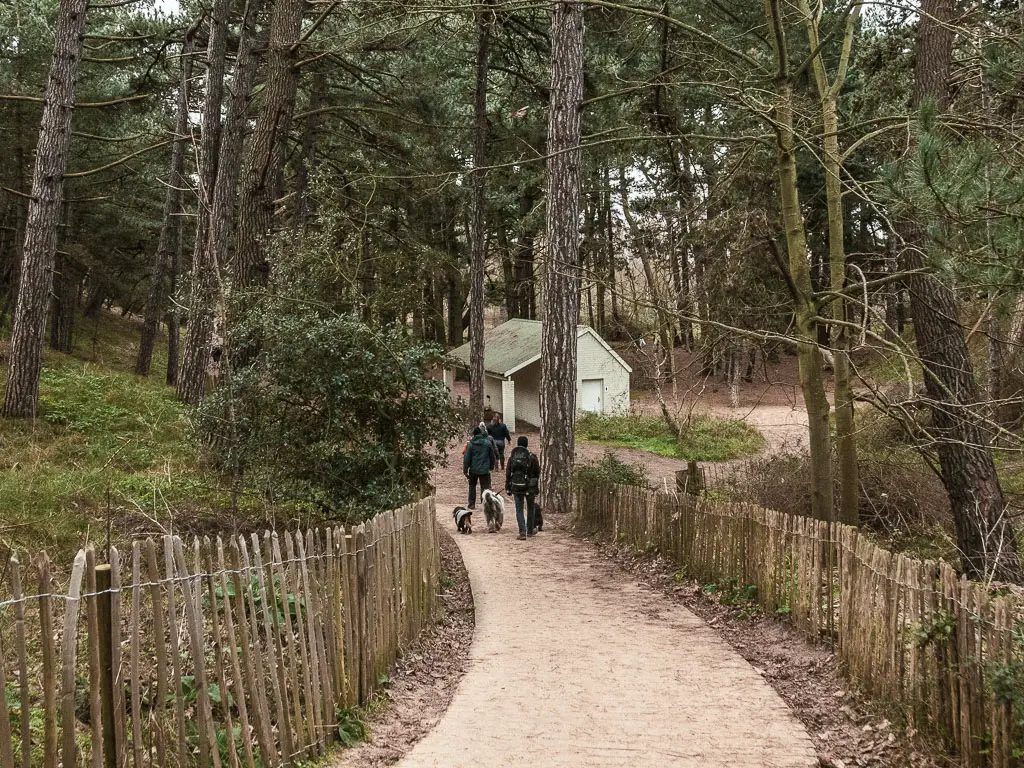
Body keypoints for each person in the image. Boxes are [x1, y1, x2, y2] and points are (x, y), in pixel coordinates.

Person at [506, 435, 541, 539]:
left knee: (519, 509)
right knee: (530, 507)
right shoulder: (532, 457)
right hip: (529, 486)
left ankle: (522, 532)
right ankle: (530, 530)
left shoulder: (512, 456)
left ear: (517, 444)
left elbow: (508, 472)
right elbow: (537, 473)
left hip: (517, 486)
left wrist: (508, 486)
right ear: (527, 444)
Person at [463, 426, 497, 509]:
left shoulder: (470, 444)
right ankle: (484, 504)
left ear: (474, 435)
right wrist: (491, 466)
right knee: (485, 487)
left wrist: (465, 470)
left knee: (472, 486)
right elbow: (492, 456)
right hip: (484, 470)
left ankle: (471, 503)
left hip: (473, 470)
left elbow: (467, 458)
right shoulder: (487, 443)